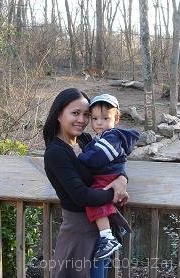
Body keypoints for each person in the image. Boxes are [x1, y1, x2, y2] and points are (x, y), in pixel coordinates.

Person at [43, 88, 129, 278]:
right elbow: (81, 195)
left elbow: (113, 165)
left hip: (102, 232)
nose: (82, 120)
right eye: (75, 113)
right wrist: (113, 193)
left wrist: (122, 180)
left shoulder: (85, 140)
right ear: (58, 114)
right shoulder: (56, 152)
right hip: (79, 233)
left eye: (86, 114)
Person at [77, 94, 139, 260]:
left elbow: (99, 157)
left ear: (116, 118)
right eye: (95, 118)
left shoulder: (112, 136)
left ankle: (107, 237)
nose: (98, 122)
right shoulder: (101, 137)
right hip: (109, 175)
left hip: (108, 175)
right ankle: (111, 228)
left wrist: (79, 160)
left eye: (105, 118)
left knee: (93, 198)